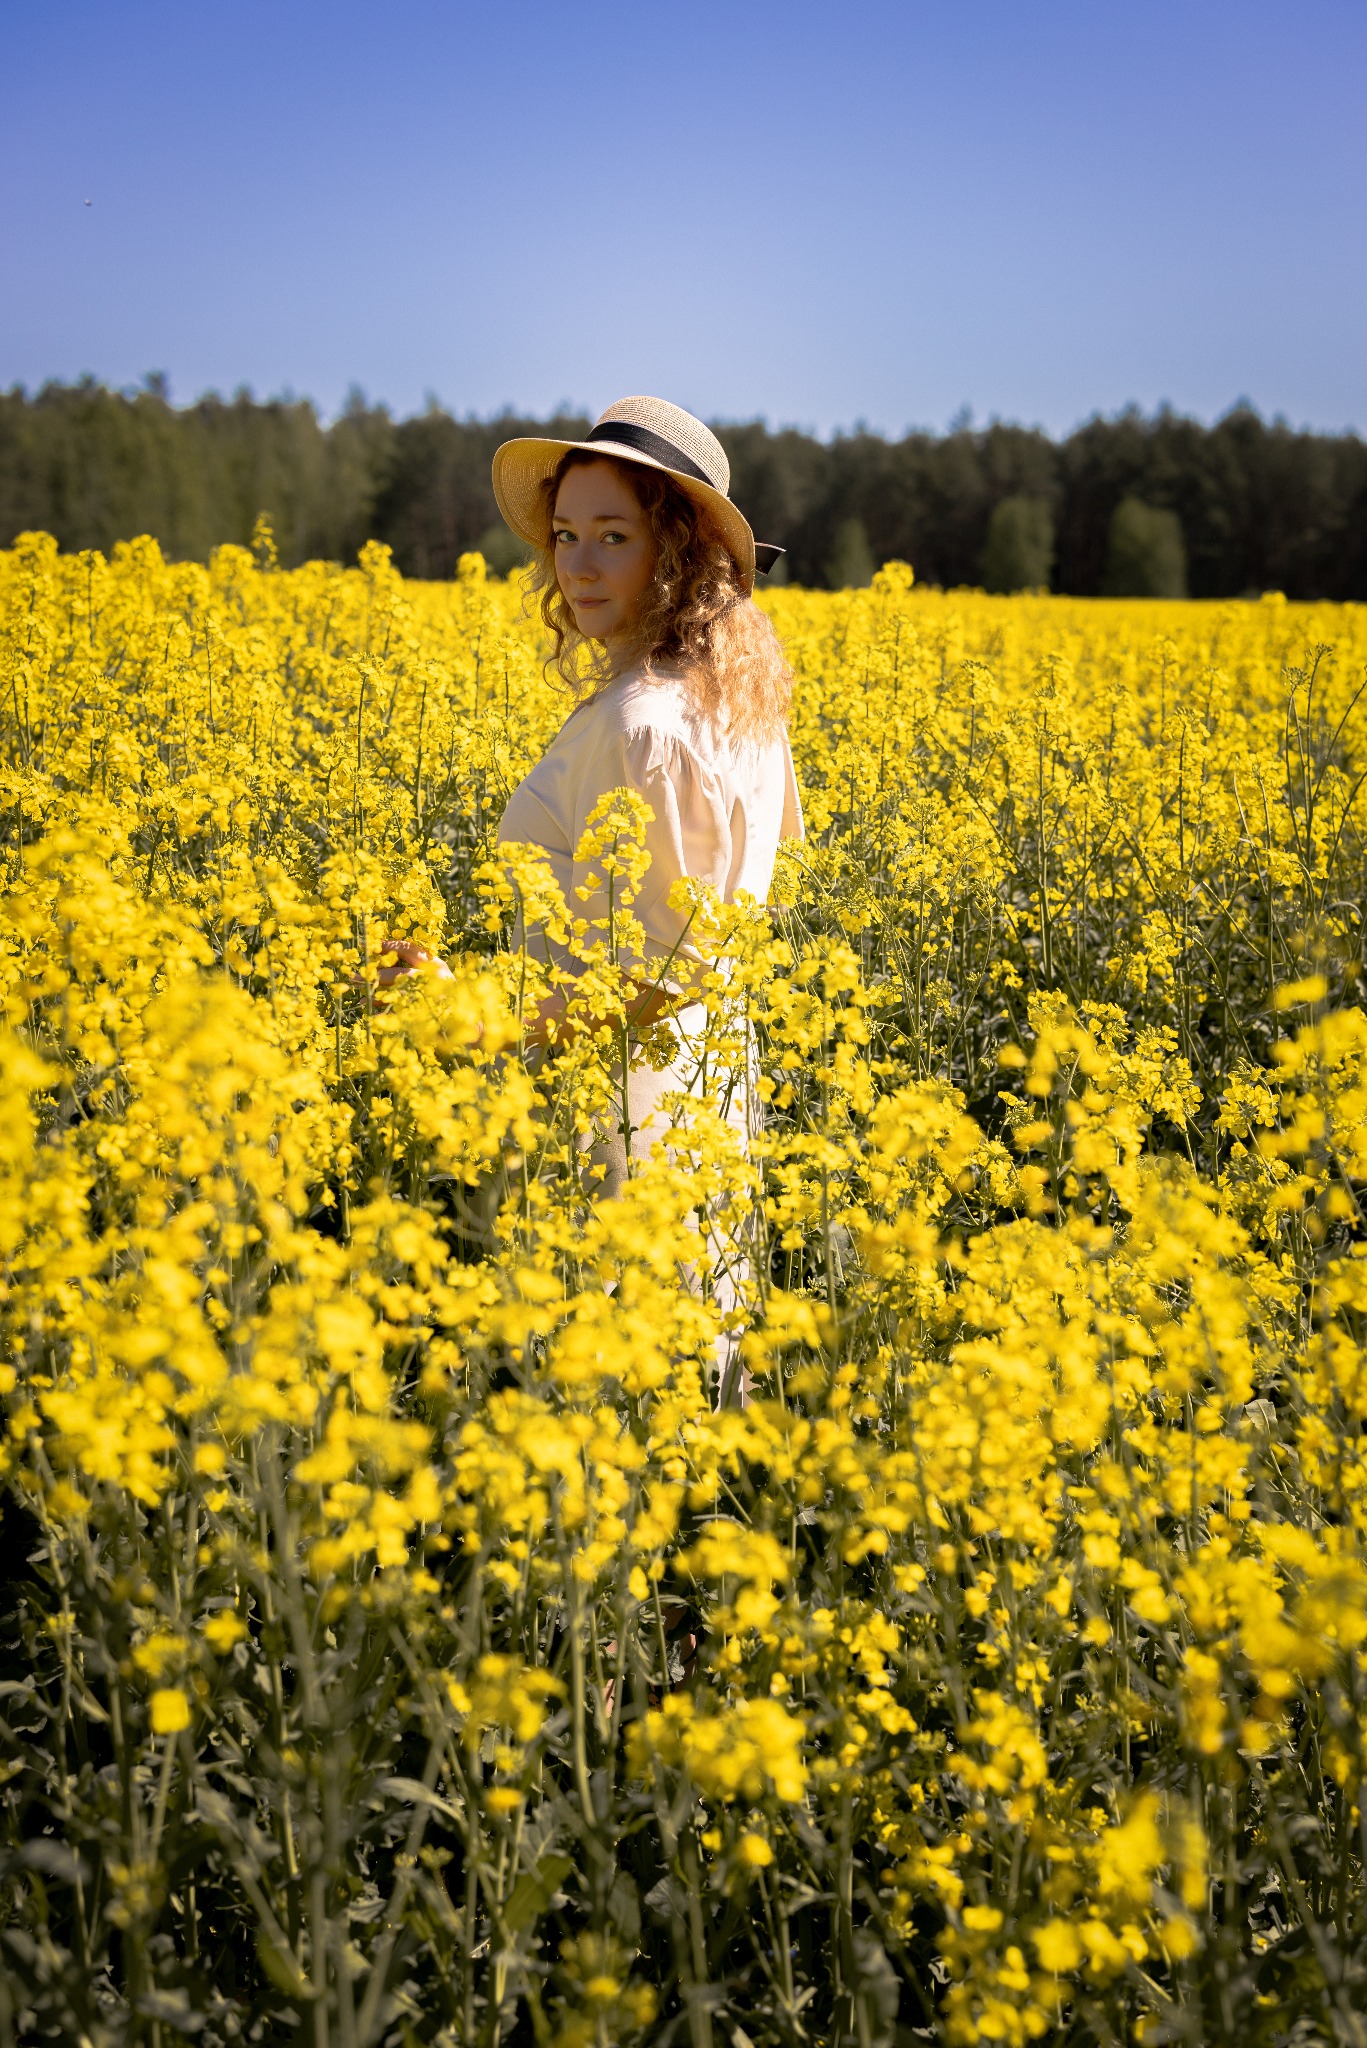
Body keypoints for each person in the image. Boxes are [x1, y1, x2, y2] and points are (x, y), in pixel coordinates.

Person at [381, 395, 804, 1404]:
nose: (576, 564)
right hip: (699, 1088)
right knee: (689, 1380)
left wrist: (462, 1008)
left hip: (624, 1104)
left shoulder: (646, 722)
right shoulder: (729, 702)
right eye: (566, 534)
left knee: (613, 1396)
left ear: (679, 551)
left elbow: (652, 974)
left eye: (612, 536)